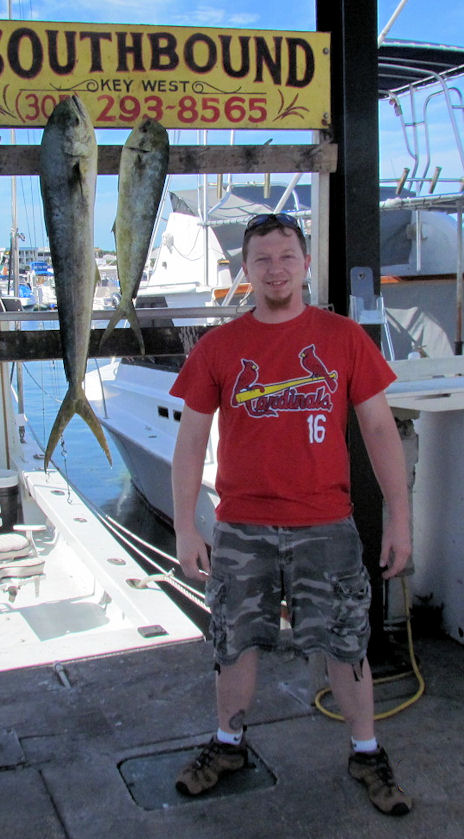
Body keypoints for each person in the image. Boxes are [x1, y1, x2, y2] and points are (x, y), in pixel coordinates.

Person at [170, 212, 412, 816]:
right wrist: (186, 526)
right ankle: (228, 744)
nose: (275, 269)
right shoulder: (218, 347)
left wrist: (400, 519)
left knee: (346, 644)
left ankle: (366, 752)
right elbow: (191, 442)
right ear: (246, 270)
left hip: (326, 524)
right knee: (234, 643)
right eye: (262, 259)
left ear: (305, 264)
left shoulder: (343, 338)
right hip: (241, 527)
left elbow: (379, 430)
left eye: (286, 257)